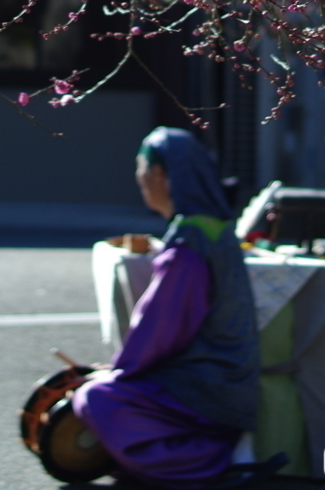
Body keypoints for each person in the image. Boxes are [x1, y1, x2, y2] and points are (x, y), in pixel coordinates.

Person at [71, 127, 260, 488]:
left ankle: (205, 460)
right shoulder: (214, 229)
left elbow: (160, 328)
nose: (140, 180)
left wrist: (118, 373)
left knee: (94, 397)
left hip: (209, 388)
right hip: (224, 377)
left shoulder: (191, 240)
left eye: (142, 169)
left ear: (160, 174)